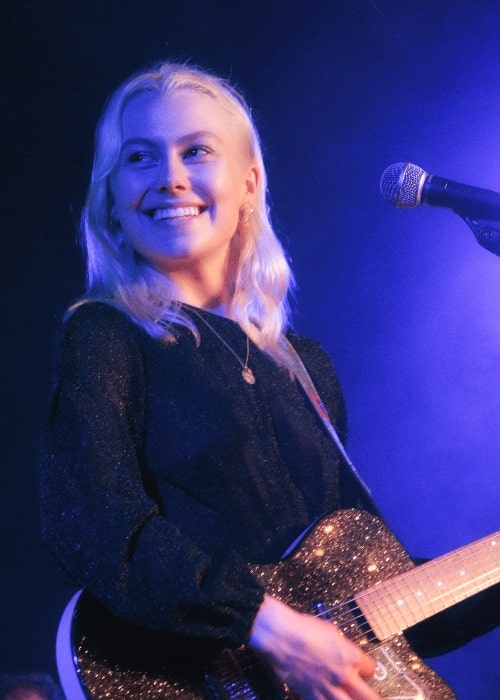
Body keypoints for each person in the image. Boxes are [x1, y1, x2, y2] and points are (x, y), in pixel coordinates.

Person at [40, 61, 498, 700]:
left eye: (196, 151)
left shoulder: (304, 367)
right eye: (139, 159)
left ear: (249, 182)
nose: (171, 178)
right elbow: (92, 523)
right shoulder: (106, 335)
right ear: (112, 198)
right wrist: (268, 628)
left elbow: (373, 600)